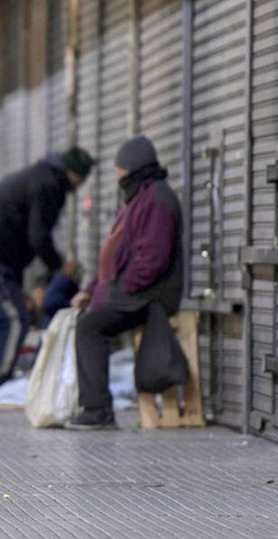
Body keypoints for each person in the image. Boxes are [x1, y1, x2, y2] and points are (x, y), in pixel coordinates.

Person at [0, 148, 94, 399]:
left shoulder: (39, 176)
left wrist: (19, 286)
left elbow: (21, 239)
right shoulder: (50, 184)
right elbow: (38, 237)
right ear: (76, 174)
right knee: (13, 321)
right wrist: (59, 270)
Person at [66, 136, 183, 430]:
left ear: (133, 170)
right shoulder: (140, 198)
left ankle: (97, 411)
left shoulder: (156, 200)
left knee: (90, 326)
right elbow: (115, 259)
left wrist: (122, 289)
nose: (119, 179)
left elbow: (153, 259)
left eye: (121, 172)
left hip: (149, 294)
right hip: (134, 291)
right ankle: (94, 406)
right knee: (87, 318)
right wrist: (92, 290)